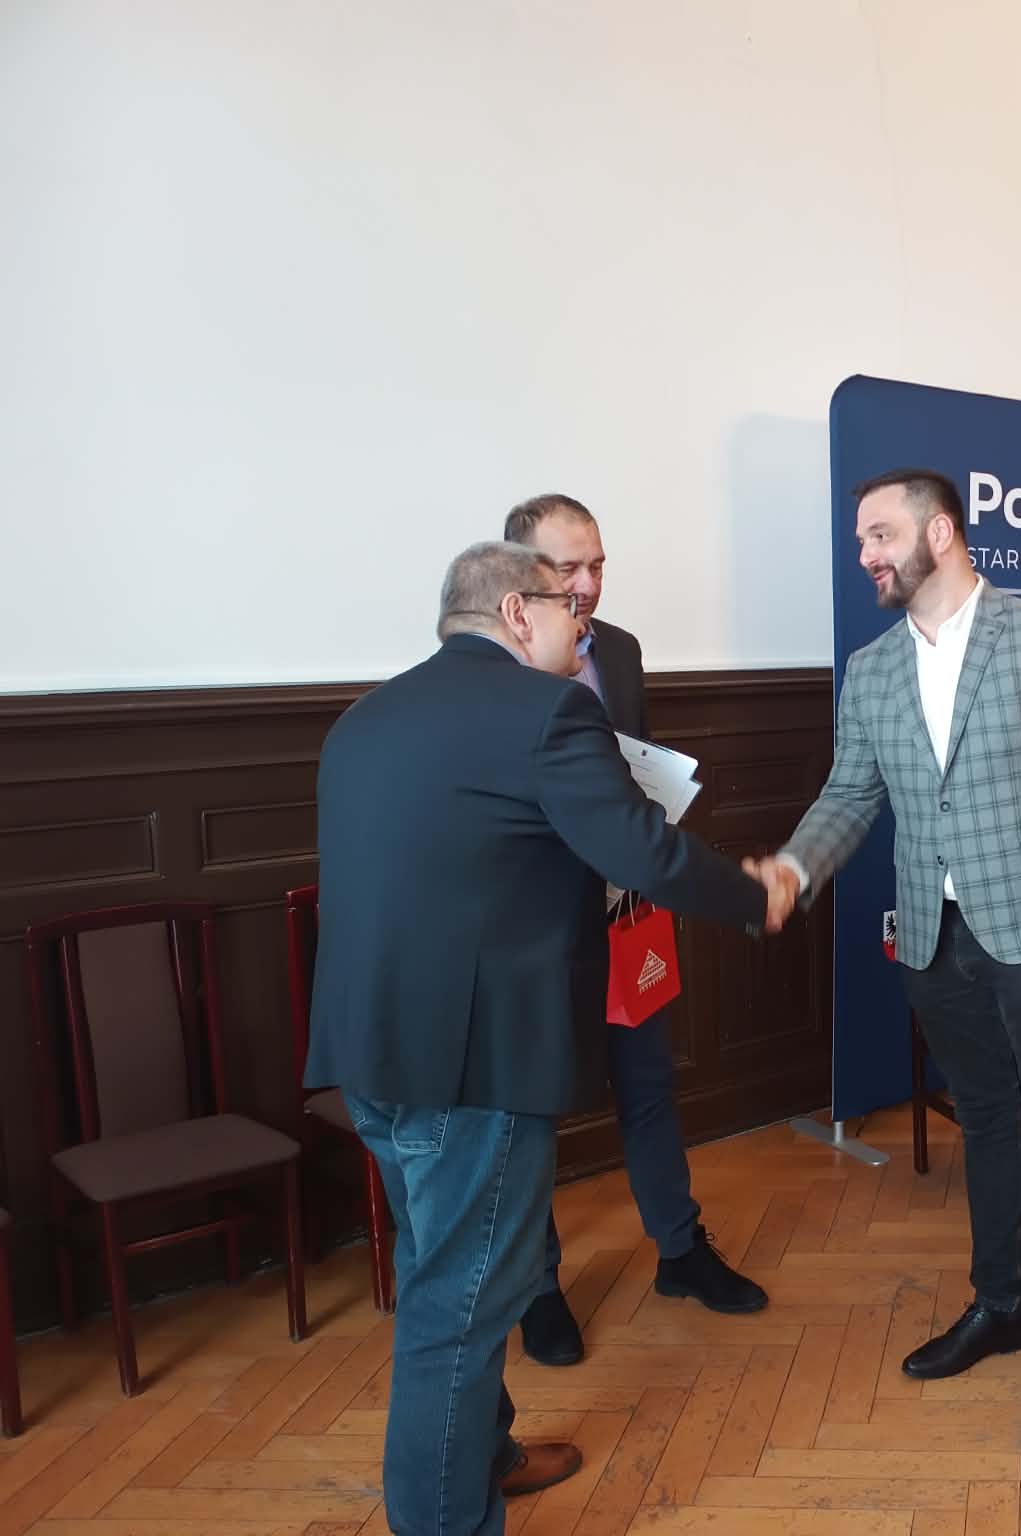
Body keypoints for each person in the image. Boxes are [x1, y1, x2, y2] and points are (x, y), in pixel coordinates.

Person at [307, 540, 786, 1536]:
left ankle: (486, 1456)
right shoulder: (547, 712)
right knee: (455, 1313)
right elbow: (642, 852)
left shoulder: (363, 719)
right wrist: (754, 893)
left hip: (368, 1056)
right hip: (471, 1067)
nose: (583, 626)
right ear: (518, 613)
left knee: (443, 1274)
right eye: (570, 606)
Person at [758, 468, 1021, 1444]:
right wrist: (794, 868)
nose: (865, 555)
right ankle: (1000, 1305)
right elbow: (850, 794)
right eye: (860, 540)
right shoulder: (872, 667)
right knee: (985, 1124)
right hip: (933, 937)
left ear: (941, 533)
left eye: (879, 534)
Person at [504, 494, 769, 1371]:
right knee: (532, 1106)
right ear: (519, 580)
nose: (587, 585)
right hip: (534, 926)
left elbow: (631, 767)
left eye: (598, 565)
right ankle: (536, 1286)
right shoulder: (493, 661)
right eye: (568, 568)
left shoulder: (617, 650)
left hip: (628, 906)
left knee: (649, 1082)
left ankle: (681, 1252)